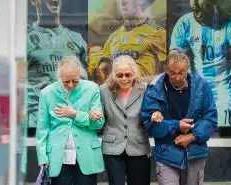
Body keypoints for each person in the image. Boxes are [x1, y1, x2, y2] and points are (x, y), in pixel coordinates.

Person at [140, 49, 217, 185]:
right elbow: (149, 126)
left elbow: (210, 118)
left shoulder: (201, 85)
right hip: (167, 154)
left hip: (195, 153)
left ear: (188, 69)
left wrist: (192, 136)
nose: (177, 77)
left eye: (181, 73)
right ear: (166, 69)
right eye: (172, 73)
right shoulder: (154, 89)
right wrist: (176, 125)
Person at [170, 0, 231, 126]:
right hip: (195, 88)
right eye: (195, 10)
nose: (198, 15)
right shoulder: (184, 24)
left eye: (203, 10)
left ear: (215, 6)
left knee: (224, 128)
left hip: (224, 89)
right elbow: (175, 59)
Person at [36, 56, 105, 185]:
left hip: (86, 155)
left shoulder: (92, 89)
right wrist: (42, 157)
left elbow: (98, 124)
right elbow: (42, 129)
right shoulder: (47, 93)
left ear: (81, 75)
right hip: (57, 157)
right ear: (59, 76)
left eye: (75, 81)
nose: (71, 85)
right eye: (66, 81)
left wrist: (75, 114)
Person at [27, 0, 88, 128]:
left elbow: (87, 87)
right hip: (38, 124)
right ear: (34, 1)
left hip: (72, 124)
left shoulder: (76, 39)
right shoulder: (25, 40)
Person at [100, 55, 151, 185]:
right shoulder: (104, 90)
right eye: (120, 75)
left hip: (138, 147)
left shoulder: (144, 89)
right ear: (113, 75)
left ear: (134, 74)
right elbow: (99, 122)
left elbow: (149, 115)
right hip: (112, 147)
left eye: (128, 75)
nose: (124, 79)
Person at [93, 0, 167, 84]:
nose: (122, 2)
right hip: (117, 94)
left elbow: (168, 75)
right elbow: (102, 71)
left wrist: (140, 81)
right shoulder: (113, 36)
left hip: (144, 93)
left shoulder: (158, 33)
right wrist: (100, 75)